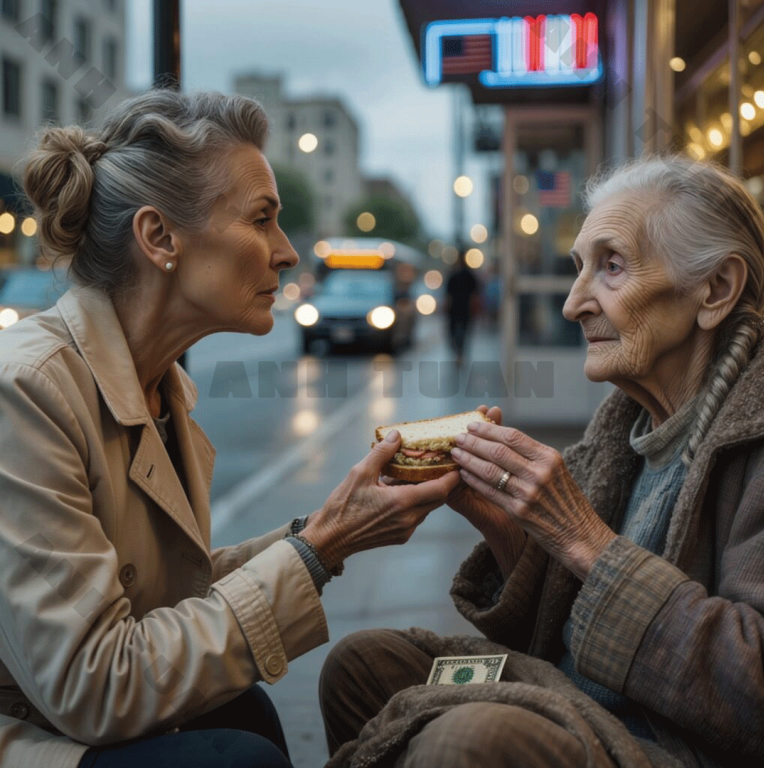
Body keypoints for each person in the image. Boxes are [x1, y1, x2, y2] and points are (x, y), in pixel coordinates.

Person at [0, 89, 459, 768]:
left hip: (71, 719)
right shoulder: (25, 389)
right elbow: (95, 685)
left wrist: (325, 531)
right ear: (160, 238)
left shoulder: (158, 387)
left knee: (246, 710)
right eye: (262, 219)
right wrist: (319, 549)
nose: (287, 253)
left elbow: (163, 598)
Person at [319, 156, 764, 768]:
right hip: (576, 700)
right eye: (578, 268)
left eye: (612, 266)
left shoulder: (754, 431)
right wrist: (509, 528)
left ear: (714, 289)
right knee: (360, 665)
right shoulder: (622, 433)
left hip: (665, 745)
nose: (573, 304)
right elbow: (558, 637)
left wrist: (582, 538)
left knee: (467, 740)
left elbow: (755, 693)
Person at [444, 249, 480, 366]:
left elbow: (448, 295)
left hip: (459, 309)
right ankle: (460, 353)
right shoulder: (466, 275)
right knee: (462, 333)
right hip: (461, 309)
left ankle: (459, 353)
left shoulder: (457, 274)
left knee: (456, 333)